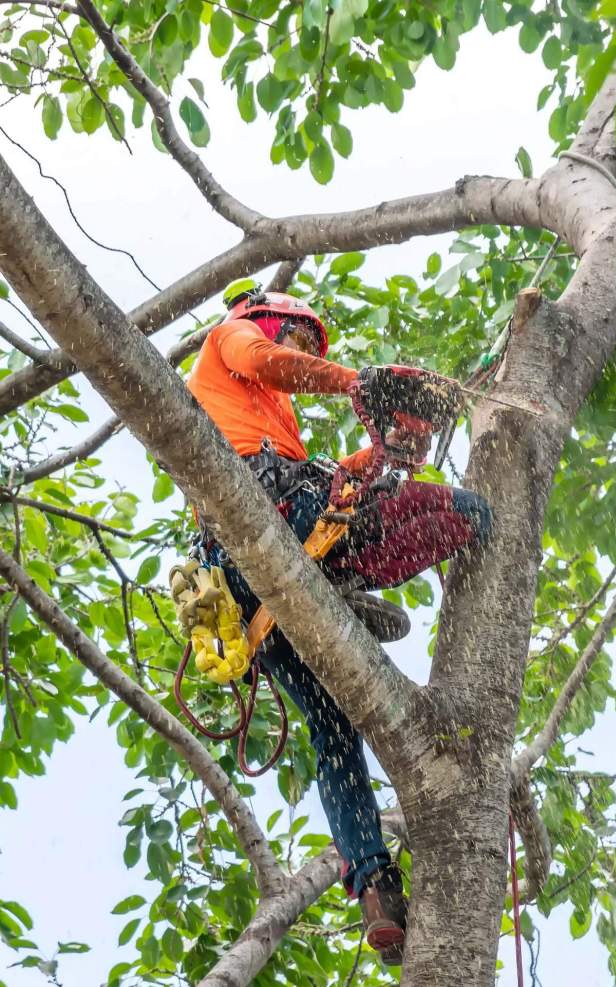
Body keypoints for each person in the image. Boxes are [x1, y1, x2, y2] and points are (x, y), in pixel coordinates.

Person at [186, 285, 491, 964]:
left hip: (269, 579)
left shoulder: (272, 419)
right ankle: (339, 585)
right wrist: (361, 383)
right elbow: (268, 361)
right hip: (263, 518)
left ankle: (373, 884)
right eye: (299, 340)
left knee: (334, 730)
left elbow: (334, 480)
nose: (301, 357)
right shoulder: (232, 342)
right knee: (455, 507)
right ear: (270, 319)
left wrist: (386, 451)